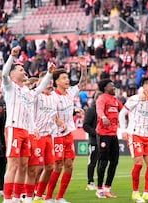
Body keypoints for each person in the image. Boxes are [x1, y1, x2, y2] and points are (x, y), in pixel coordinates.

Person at [1, 46, 53, 203]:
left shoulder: (27, 92)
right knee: (13, 165)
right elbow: (3, 74)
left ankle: (18, 197)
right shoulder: (10, 87)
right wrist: (11, 56)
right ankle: (7, 199)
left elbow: (40, 88)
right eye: (21, 70)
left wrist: (50, 73)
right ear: (13, 74)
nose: (24, 72)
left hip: (25, 131)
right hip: (13, 128)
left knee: (23, 165)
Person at [45, 58, 87, 203]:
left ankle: (60, 197)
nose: (67, 80)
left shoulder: (69, 93)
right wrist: (59, 121)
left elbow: (83, 84)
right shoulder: (53, 96)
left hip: (68, 134)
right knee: (57, 165)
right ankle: (48, 196)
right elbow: (51, 113)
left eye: (67, 77)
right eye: (63, 78)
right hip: (56, 135)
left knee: (69, 166)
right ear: (56, 81)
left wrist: (84, 68)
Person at [119, 77, 148, 203]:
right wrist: (123, 130)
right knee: (138, 163)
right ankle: (135, 193)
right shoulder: (135, 99)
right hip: (135, 134)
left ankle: (147, 193)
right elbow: (121, 114)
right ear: (144, 87)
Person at [33, 70, 60, 202]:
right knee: (36, 167)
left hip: (49, 136)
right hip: (37, 135)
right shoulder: (36, 96)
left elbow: (55, 114)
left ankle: (38, 194)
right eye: (47, 80)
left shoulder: (54, 97)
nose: (49, 83)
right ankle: (28, 192)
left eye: (50, 80)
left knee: (50, 167)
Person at [95, 79, 123, 198]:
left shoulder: (116, 100)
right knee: (103, 161)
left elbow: (125, 110)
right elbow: (99, 109)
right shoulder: (102, 98)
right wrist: (103, 117)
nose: (114, 87)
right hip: (103, 134)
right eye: (111, 85)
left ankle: (107, 188)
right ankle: (99, 189)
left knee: (114, 161)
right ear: (105, 87)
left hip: (113, 135)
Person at [83, 91, 102, 191]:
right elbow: (85, 125)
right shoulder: (91, 110)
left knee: (102, 162)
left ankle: (100, 182)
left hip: (103, 140)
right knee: (92, 162)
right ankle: (90, 182)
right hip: (94, 141)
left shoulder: (103, 110)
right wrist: (96, 133)